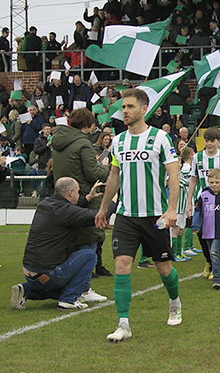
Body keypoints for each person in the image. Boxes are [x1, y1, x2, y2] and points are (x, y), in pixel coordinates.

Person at [95, 88, 182, 342]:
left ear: (144, 109)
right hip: (126, 215)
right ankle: (123, 324)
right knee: (122, 265)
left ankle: (175, 302)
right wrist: (103, 208)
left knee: (164, 268)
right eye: (123, 107)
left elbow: (174, 175)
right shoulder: (119, 141)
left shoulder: (160, 138)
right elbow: (114, 176)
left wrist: (172, 209)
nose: (125, 111)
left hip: (155, 215)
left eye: (130, 106)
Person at [11, 178, 106, 310]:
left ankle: (26, 290)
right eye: (78, 192)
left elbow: (72, 207)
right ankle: (68, 300)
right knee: (89, 255)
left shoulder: (46, 203)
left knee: (60, 288)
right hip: (48, 274)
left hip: (30, 273)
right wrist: (110, 200)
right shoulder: (64, 210)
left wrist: (89, 197)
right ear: (71, 192)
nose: (79, 195)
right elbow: (96, 216)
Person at [52, 108, 111, 280]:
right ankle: (83, 284)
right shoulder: (83, 143)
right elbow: (93, 174)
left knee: (70, 240)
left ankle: (69, 277)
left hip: (63, 194)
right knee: (89, 240)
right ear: (88, 124)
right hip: (84, 194)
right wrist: (106, 167)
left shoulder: (58, 141)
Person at [186, 127, 220, 267]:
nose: (209, 143)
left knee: (217, 234)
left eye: (212, 141)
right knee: (201, 233)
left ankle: (214, 264)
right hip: (202, 202)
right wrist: (189, 203)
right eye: (207, 141)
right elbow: (193, 180)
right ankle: (209, 261)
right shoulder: (197, 157)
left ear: (219, 141)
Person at [191, 169, 220, 289]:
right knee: (212, 254)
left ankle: (217, 279)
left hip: (219, 231)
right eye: (211, 182)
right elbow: (198, 211)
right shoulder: (204, 195)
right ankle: (218, 273)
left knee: (214, 252)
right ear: (208, 182)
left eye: (217, 182)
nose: (214, 185)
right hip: (206, 230)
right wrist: (196, 225)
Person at [173, 147, 195, 262]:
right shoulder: (179, 174)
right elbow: (185, 182)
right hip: (178, 205)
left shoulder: (180, 173)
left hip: (182, 205)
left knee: (180, 228)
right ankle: (175, 253)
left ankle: (179, 252)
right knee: (176, 229)